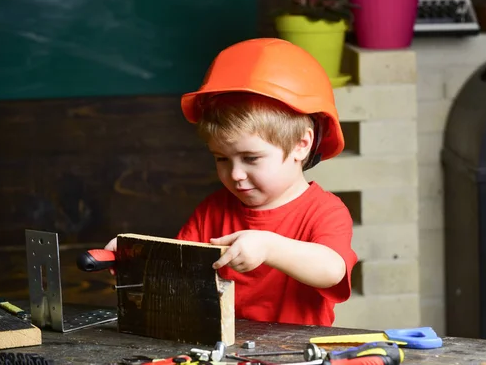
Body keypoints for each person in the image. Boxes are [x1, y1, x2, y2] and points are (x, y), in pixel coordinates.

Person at [105, 38, 358, 326]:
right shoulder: (213, 210)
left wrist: (269, 248)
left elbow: (332, 270)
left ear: (302, 144)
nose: (235, 174)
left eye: (251, 158)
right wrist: (138, 258)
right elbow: (179, 270)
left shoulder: (324, 211)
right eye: (221, 159)